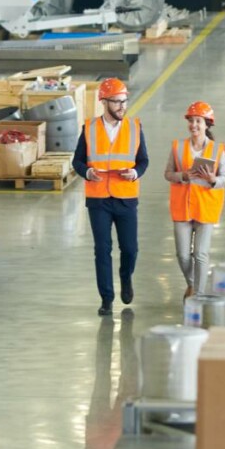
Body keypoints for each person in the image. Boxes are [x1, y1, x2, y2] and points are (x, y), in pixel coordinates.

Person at [72, 77, 148, 316]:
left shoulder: (135, 127)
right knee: (102, 249)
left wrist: (135, 172)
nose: (122, 107)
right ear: (103, 102)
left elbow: (143, 160)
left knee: (130, 249)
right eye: (116, 102)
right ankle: (106, 298)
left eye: (124, 101)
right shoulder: (90, 128)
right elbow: (77, 161)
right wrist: (88, 171)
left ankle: (126, 279)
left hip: (126, 197)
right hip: (98, 200)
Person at [165, 102, 225, 298]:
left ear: (207, 125)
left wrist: (213, 180)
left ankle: (198, 296)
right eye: (191, 121)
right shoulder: (178, 147)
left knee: (200, 254)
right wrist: (183, 176)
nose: (194, 125)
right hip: (182, 207)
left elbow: (224, 178)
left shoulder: (218, 150)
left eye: (198, 121)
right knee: (183, 255)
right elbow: (167, 173)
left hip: (205, 208)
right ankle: (192, 284)